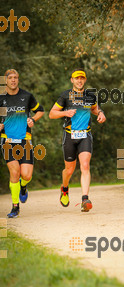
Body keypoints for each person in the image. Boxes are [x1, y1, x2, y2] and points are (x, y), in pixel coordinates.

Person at [49, 68, 106, 212]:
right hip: (69, 135)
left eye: (82, 78)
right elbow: (51, 114)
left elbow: (94, 108)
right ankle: (65, 188)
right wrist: (65, 112)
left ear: (85, 80)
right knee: (69, 170)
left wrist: (100, 113)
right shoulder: (65, 96)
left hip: (85, 135)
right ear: (72, 80)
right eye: (76, 78)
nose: (79, 80)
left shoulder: (90, 96)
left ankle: (85, 199)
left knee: (85, 165)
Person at [0, 69, 44, 218]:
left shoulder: (26, 96)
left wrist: (33, 119)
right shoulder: (1, 99)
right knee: (14, 172)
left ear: (18, 80)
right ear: (5, 80)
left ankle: (23, 186)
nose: (13, 80)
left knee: (25, 175)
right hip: (7, 140)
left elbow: (40, 111)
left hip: (25, 140)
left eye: (15, 78)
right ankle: (15, 207)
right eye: (10, 78)